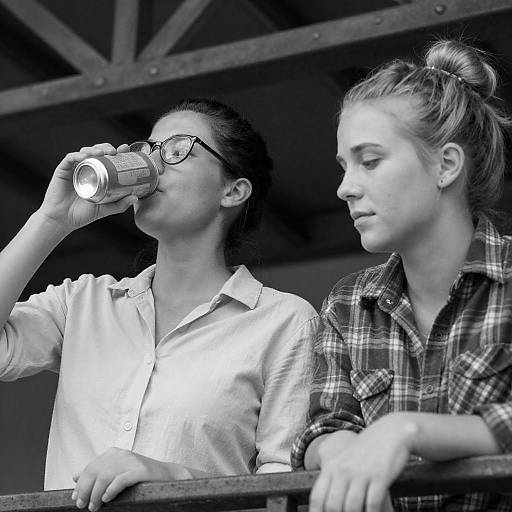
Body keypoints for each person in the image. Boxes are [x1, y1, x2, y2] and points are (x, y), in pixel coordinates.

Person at [0, 98, 318, 510]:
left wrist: (174, 479)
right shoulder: (84, 302)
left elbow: (288, 492)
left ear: (233, 190)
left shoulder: (284, 322)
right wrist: (52, 219)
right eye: (149, 149)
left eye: (176, 149)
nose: (153, 162)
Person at [291, 40, 512, 511]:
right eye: (344, 166)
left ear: (446, 165)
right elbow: (322, 429)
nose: (345, 187)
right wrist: (344, 453)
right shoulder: (347, 303)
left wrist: (404, 429)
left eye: (369, 161)